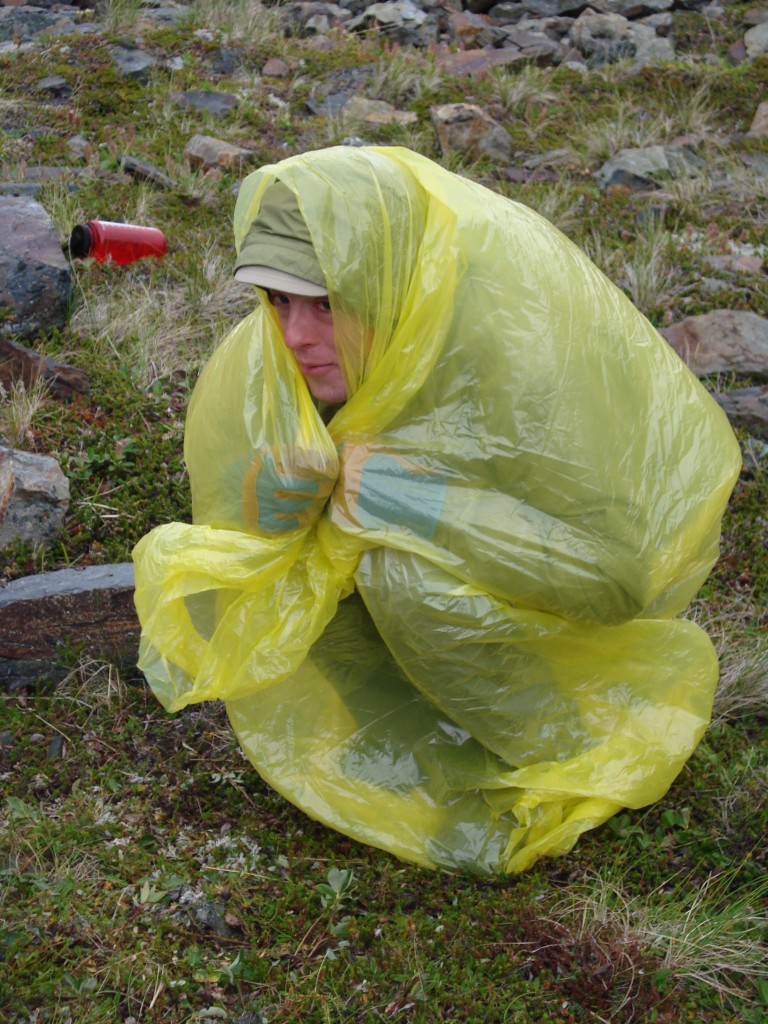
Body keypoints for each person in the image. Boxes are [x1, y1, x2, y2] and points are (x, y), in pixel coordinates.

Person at [133, 145, 741, 874]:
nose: (296, 336)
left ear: (386, 282)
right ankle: (394, 742)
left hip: (554, 641)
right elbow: (230, 584)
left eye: (327, 302)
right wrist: (267, 515)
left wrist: (409, 501)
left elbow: (620, 582)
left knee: (398, 571)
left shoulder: (511, 364)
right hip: (424, 662)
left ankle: (558, 748)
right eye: (277, 299)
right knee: (256, 557)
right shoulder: (266, 368)